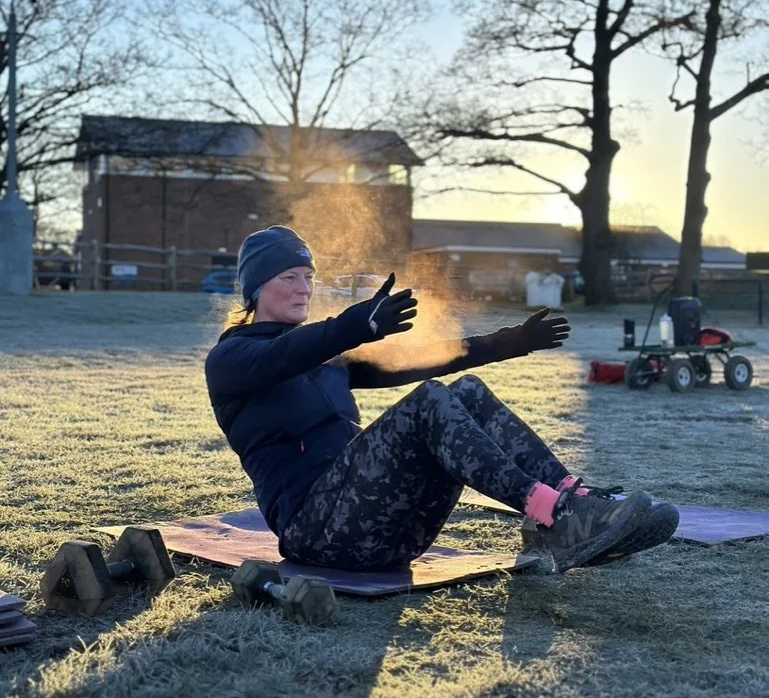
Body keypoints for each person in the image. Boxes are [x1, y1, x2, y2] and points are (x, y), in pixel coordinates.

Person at [205, 226, 677, 574]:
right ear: (256, 287)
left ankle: (570, 509)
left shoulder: (326, 357)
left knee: (463, 391)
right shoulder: (232, 360)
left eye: (309, 276)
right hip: (320, 532)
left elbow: (422, 361)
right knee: (428, 402)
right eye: (291, 276)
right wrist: (355, 325)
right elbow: (285, 354)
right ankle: (550, 511)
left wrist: (508, 341)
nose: (305, 288)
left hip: (389, 530)